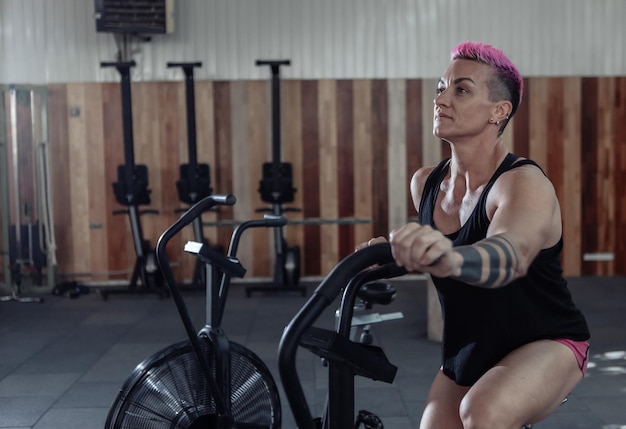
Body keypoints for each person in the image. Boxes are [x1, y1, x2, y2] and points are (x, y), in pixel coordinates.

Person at [362, 41, 590, 429]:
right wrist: (390, 251)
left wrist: (449, 258)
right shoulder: (425, 184)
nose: (441, 99)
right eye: (440, 87)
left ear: (498, 112)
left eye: (461, 90)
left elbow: (508, 256)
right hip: (470, 348)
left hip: (547, 342)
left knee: (481, 413)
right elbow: (431, 240)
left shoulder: (522, 184)